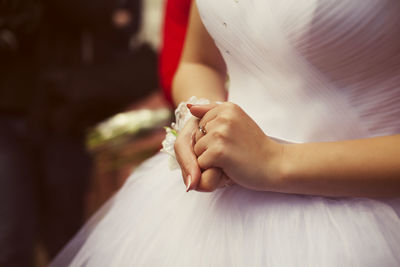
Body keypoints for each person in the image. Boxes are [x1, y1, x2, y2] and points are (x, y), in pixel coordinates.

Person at [52, 0, 400, 266]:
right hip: (203, 214)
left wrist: (275, 160)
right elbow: (198, 61)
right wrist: (200, 118)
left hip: (361, 221)